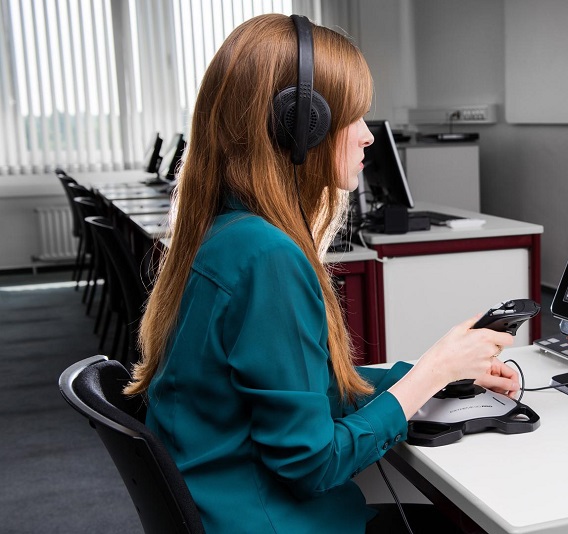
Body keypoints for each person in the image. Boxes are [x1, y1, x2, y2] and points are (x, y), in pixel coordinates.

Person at [123, 14, 519, 534]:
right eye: (354, 118)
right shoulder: (267, 256)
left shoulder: (222, 233)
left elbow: (303, 394)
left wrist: (434, 373)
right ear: (299, 128)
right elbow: (313, 464)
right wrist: (431, 374)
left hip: (227, 510)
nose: (367, 138)